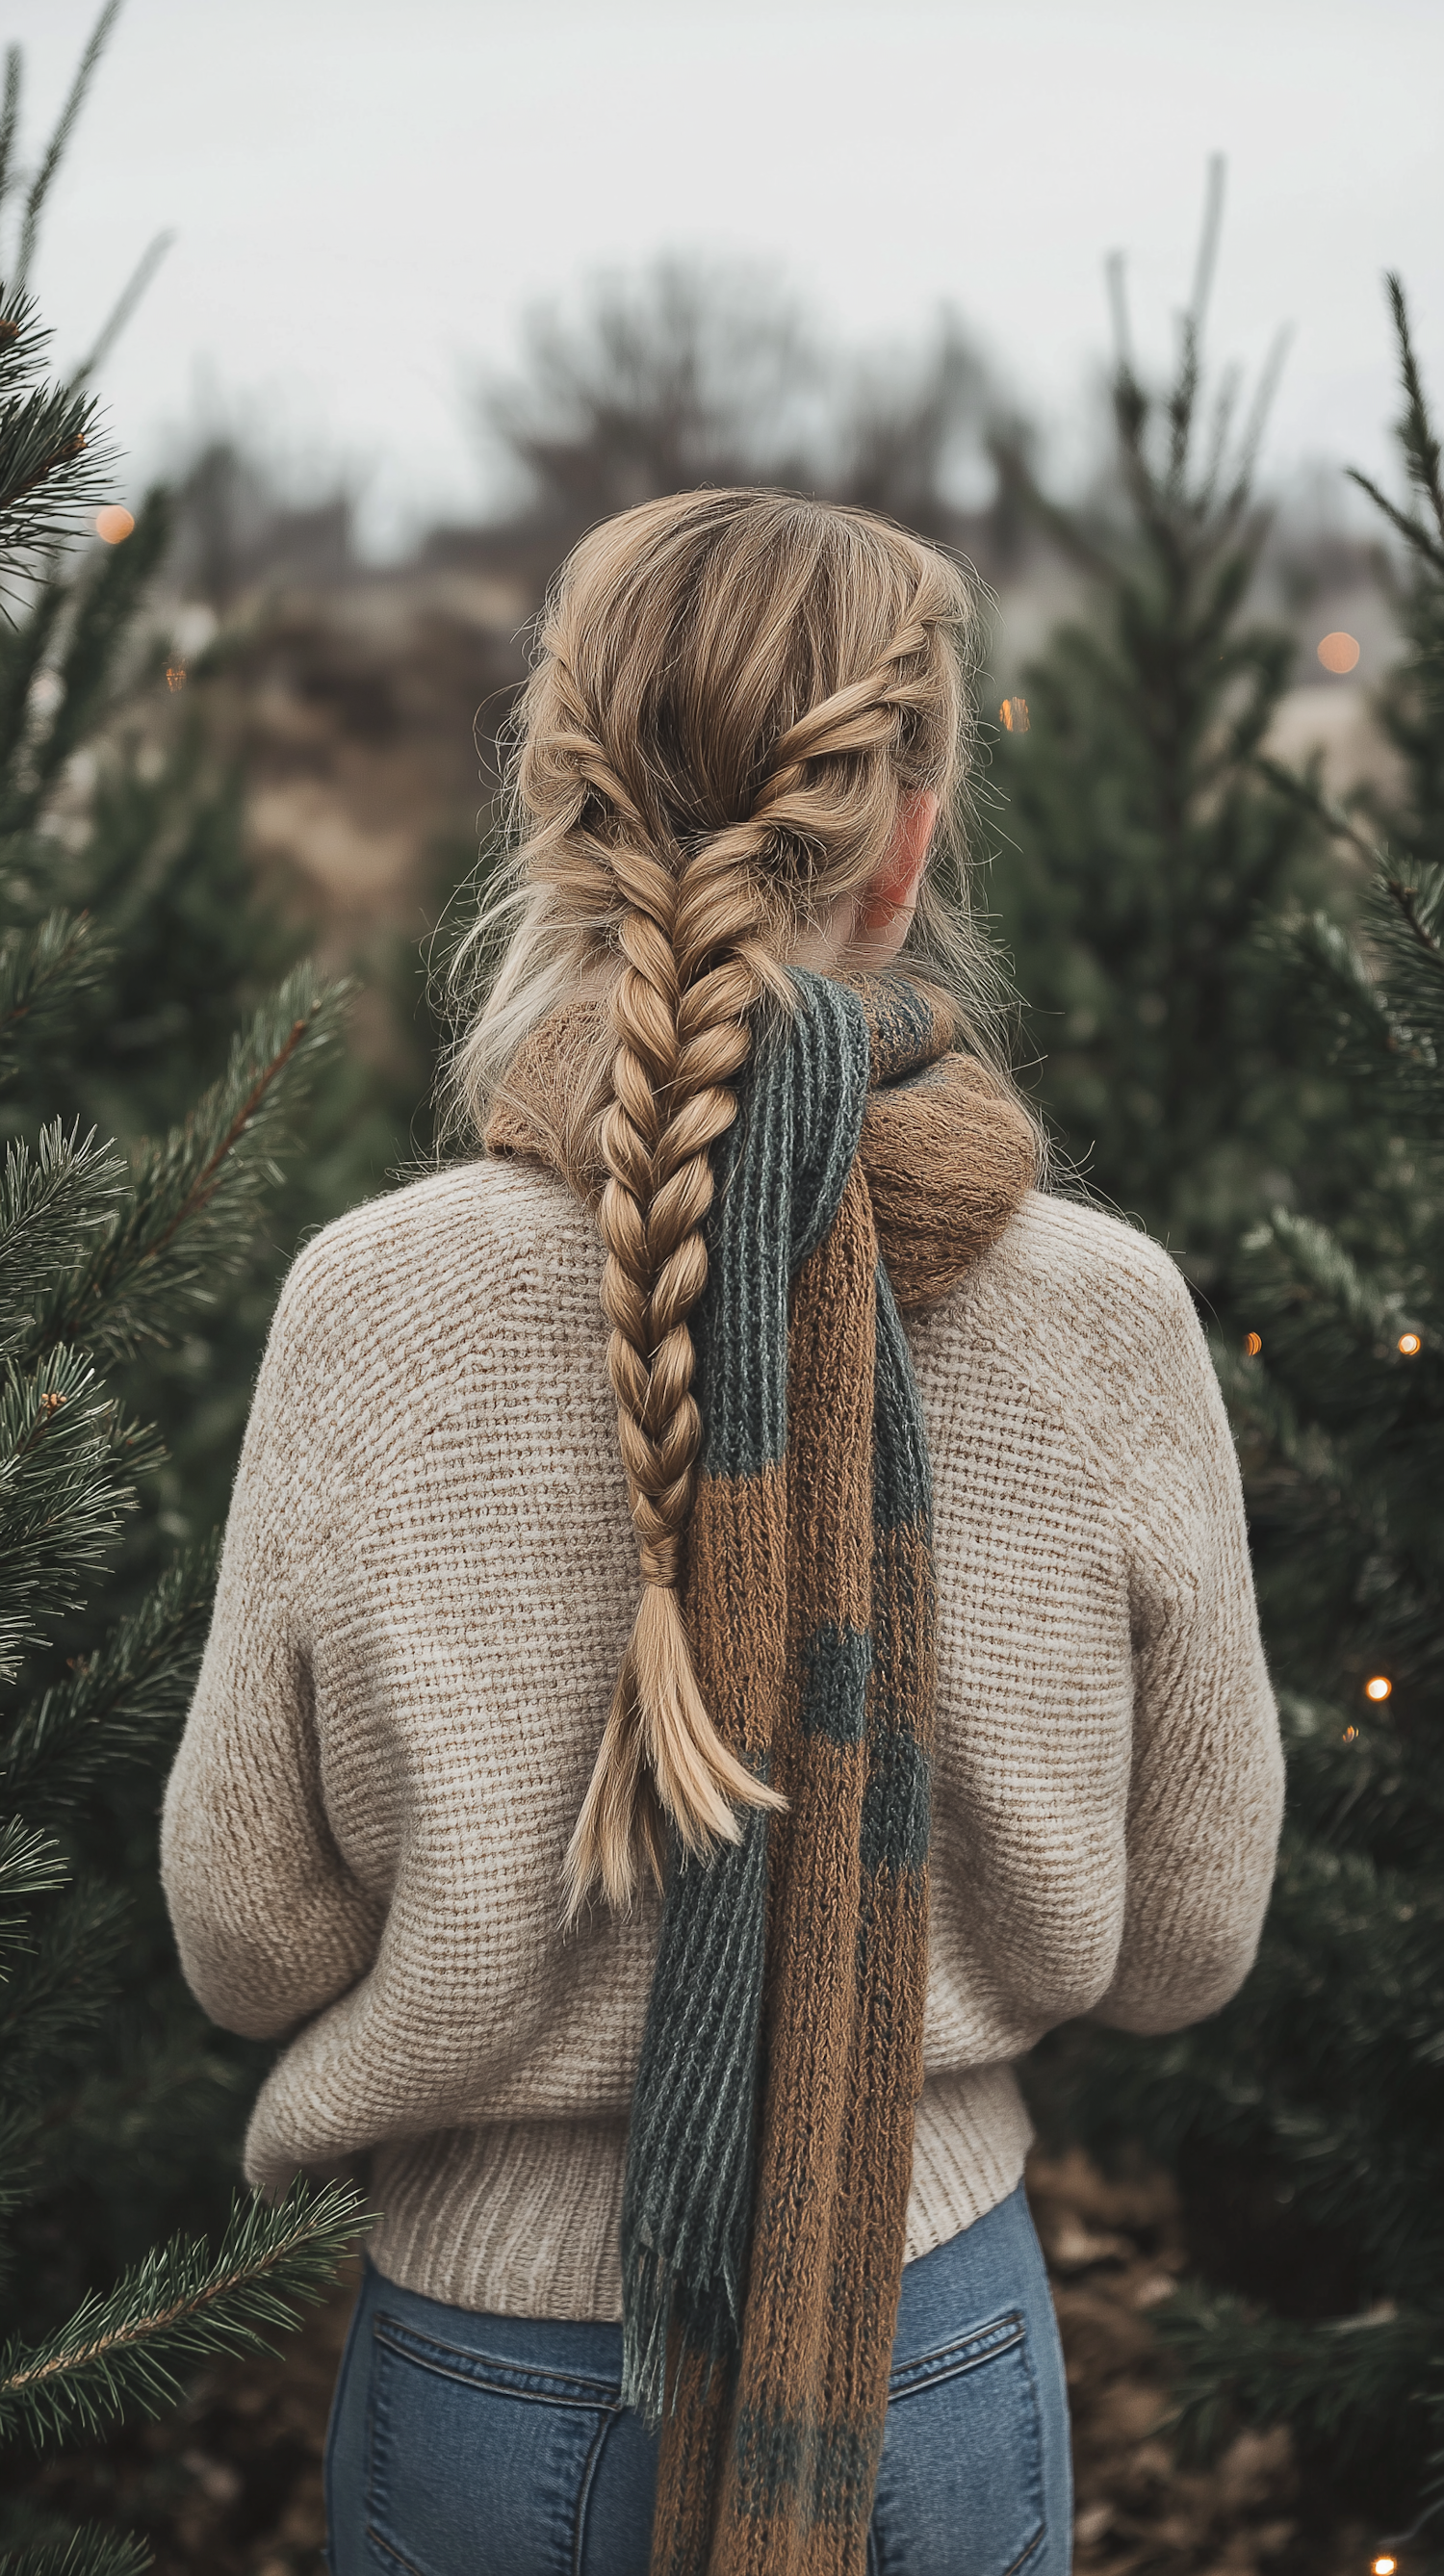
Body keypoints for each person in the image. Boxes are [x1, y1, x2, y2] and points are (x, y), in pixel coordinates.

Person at [161, 489, 1284, 2576]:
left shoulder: (377, 1304)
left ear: (559, 821)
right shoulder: (1103, 1314)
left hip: (493, 2372)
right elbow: (1189, 1939)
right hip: (930, 2340)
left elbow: (249, 1931)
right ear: (912, 833)